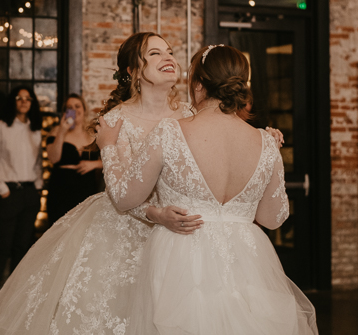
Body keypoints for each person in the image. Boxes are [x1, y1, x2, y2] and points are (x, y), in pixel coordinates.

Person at [0, 32, 210, 335]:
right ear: (133, 72)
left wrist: (260, 139)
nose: (168, 58)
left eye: (169, 51)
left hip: (183, 231)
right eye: (154, 54)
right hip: (126, 229)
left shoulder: (191, 114)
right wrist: (156, 214)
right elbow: (119, 189)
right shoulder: (115, 120)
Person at [98, 44, 317, 334]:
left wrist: (108, 149)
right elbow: (273, 218)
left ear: (198, 85)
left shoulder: (169, 131)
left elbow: (125, 198)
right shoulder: (266, 142)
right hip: (247, 263)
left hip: (182, 259)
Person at [0, 85, 45, 305]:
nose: (24, 101)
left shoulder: (35, 129)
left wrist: (37, 187)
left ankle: (14, 301)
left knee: (22, 248)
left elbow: (38, 163)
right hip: (8, 192)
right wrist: (2, 189)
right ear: (13, 101)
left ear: (32, 103)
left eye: (28, 98)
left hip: (29, 193)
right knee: (2, 247)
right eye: (19, 98)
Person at [45, 94, 102, 226]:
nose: (74, 110)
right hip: (61, 188)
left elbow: (109, 160)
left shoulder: (93, 134)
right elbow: (53, 158)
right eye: (69, 107)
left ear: (84, 109)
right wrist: (62, 130)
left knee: (82, 229)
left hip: (86, 188)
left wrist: (93, 164)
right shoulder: (55, 132)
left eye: (77, 106)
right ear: (65, 112)